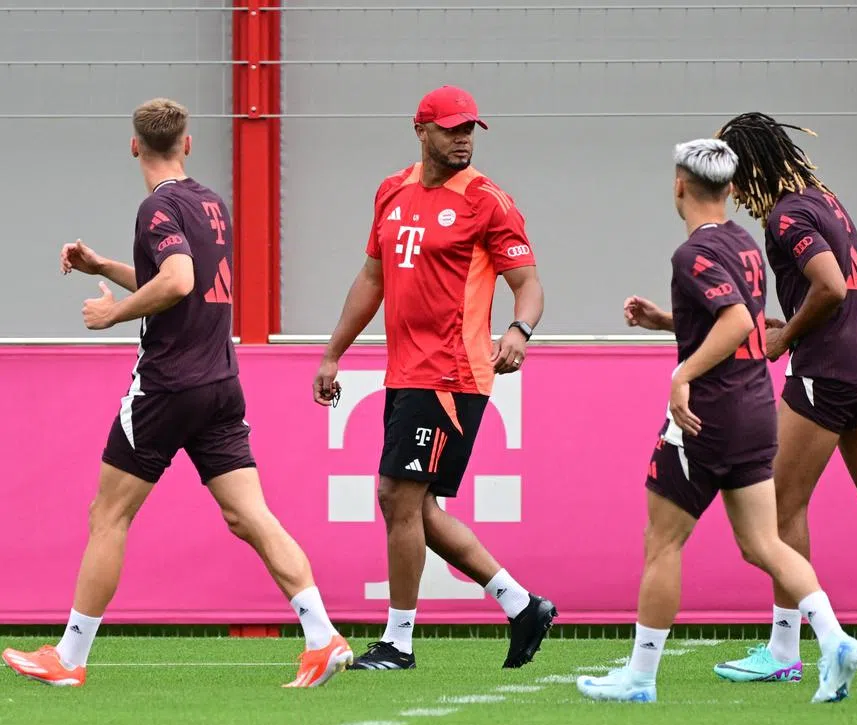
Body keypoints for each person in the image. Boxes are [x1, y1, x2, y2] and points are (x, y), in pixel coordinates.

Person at [1, 99, 351, 689]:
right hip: (220, 383)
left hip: (167, 386)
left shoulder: (155, 207)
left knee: (108, 514)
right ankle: (322, 637)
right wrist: (104, 267)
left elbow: (178, 280)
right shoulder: (210, 203)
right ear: (187, 144)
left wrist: (113, 314)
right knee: (250, 516)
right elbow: (177, 277)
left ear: (134, 146)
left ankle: (69, 657)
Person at [647, 112, 857, 685]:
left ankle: (785, 650)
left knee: (780, 511)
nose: (732, 184)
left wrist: (788, 337)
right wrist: (783, 322)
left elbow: (831, 286)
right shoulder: (825, 200)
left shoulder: (786, 215)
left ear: (751, 168)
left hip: (826, 368)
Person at [576, 138, 857, 705]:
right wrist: (668, 321)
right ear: (731, 189)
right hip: (755, 411)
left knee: (663, 542)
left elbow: (734, 321)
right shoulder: (744, 242)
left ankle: (639, 678)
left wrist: (681, 374)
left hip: (705, 417)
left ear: (679, 185)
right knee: (763, 543)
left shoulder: (691, 253)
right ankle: (833, 640)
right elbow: (740, 318)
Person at [313, 85, 556, 671]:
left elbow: (528, 282)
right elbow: (371, 279)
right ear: (421, 130)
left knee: (397, 497)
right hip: (405, 371)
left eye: (469, 128)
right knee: (413, 505)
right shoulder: (391, 191)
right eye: (451, 129)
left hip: (452, 372)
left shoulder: (487, 201)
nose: (463, 138)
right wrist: (332, 354)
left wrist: (519, 331)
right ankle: (522, 605)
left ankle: (398, 642)